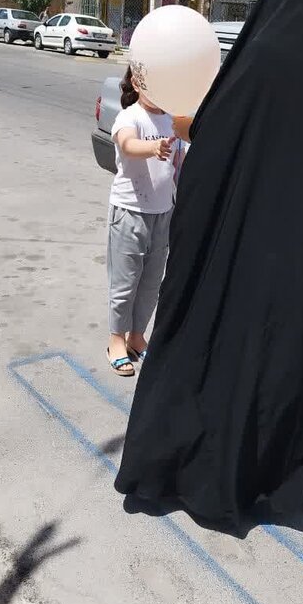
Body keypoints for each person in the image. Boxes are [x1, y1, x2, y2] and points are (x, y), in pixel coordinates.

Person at [114, 0, 303, 529]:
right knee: (272, 368)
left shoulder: (255, 70)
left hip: (233, 264)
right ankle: (255, 479)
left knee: (209, 352)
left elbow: (211, 153)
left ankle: (179, 470)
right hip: (297, 274)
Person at [107, 67, 176, 377]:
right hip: (129, 212)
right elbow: (127, 144)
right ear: (136, 82)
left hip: (162, 213)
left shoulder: (172, 119)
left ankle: (137, 337)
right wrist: (153, 147)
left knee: (150, 285)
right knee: (125, 284)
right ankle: (116, 341)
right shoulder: (130, 116)